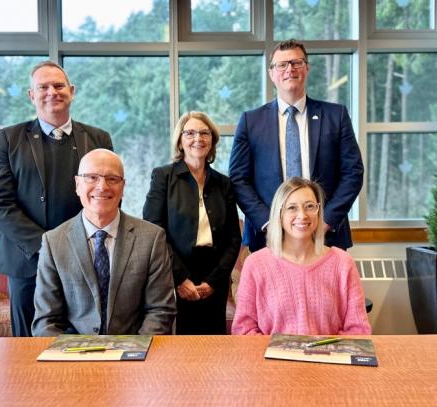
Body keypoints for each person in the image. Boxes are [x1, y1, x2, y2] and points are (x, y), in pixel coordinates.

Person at [0, 61, 113, 337]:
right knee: (26, 347)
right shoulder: (9, 139)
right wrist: (45, 246)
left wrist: (77, 247)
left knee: (83, 343)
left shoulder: (98, 137)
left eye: (58, 85)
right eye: (43, 87)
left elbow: (107, 197)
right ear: (32, 95)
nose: (51, 92)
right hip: (26, 260)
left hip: (83, 258)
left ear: (72, 91)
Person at [229, 39, 363, 253]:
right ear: (272, 74)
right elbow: (238, 179)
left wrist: (326, 220)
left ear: (307, 68)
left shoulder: (336, 116)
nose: (289, 69)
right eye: (281, 65)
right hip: (268, 238)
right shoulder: (250, 121)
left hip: (325, 235)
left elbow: (353, 173)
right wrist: (268, 222)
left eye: (296, 63)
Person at [32, 149, 177, 336]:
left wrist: (133, 353)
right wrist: (74, 359)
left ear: (123, 187)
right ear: (77, 184)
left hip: (135, 353)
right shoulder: (53, 242)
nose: (102, 186)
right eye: (92, 177)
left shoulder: (152, 238)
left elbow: (160, 311)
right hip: (73, 355)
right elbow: (46, 320)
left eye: (112, 179)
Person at [231, 178, 371, 335]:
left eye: (310, 206)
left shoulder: (343, 263)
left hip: (328, 357)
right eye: (292, 208)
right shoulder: (255, 264)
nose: (302, 215)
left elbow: (359, 330)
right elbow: (243, 330)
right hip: (271, 358)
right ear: (279, 214)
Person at [143, 112, 241, 334]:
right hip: (174, 272)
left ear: (213, 140)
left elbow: (233, 238)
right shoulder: (163, 177)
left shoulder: (224, 184)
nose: (198, 138)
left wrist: (215, 281)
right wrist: (180, 279)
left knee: (213, 347)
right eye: (190, 133)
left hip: (214, 277)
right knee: (177, 348)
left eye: (205, 133)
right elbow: (154, 231)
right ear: (180, 140)